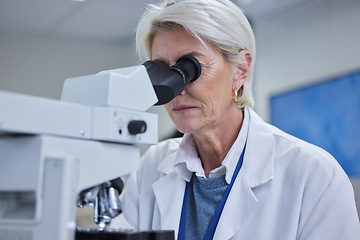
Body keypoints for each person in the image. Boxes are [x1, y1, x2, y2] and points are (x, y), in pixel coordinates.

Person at [112, 0, 360, 239]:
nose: (176, 89)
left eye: (190, 68)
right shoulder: (151, 168)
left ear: (241, 69)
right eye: (163, 70)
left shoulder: (314, 175)